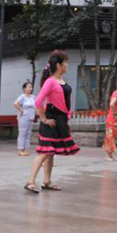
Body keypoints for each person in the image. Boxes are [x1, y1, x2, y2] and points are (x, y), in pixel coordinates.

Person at [25, 49, 79, 194]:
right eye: (66, 62)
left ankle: (47, 181)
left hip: (60, 120)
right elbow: (38, 101)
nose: (67, 65)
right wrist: (44, 119)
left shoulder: (61, 81)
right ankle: (30, 182)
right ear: (59, 65)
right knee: (43, 152)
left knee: (50, 153)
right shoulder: (50, 82)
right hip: (51, 120)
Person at [14, 82, 36, 156]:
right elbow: (15, 103)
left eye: (31, 87)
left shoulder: (33, 97)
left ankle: (25, 149)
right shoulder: (22, 97)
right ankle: (20, 149)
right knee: (22, 132)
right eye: (29, 87)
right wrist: (21, 110)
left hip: (31, 116)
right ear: (24, 88)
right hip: (24, 117)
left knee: (28, 133)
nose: (30, 88)